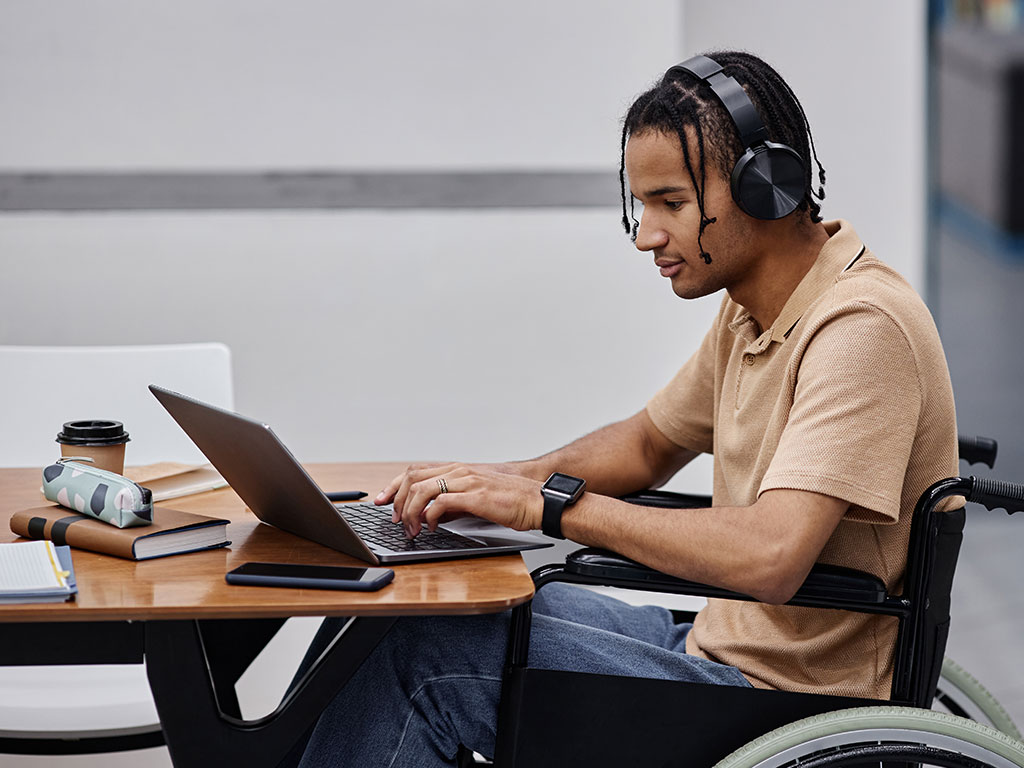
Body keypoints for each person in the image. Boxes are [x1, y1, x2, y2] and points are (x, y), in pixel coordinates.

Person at [297, 50, 958, 767]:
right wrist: (501, 482)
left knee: (421, 652)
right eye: (643, 207)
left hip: (785, 701)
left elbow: (772, 556)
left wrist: (549, 506)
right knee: (399, 606)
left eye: (670, 204)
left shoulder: (860, 328)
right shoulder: (754, 312)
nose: (646, 236)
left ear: (765, 186)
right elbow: (648, 444)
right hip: (716, 649)